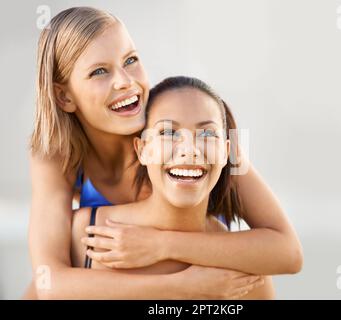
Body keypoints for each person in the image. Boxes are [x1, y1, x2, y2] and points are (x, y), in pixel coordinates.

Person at [27, 7, 302, 299]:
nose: (124, 81)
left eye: (130, 60)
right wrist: (181, 287)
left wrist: (161, 245)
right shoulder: (56, 157)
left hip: (206, 264)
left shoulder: (183, 132)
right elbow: (48, 281)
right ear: (64, 96)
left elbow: (288, 251)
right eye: (99, 71)